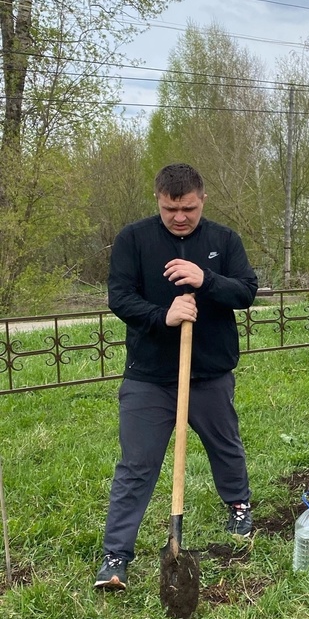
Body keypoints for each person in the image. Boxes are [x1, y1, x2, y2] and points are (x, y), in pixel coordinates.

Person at [95, 163, 259, 590]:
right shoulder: (135, 239)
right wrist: (162, 315)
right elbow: (120, 297)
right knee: (136, 464)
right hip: (149, 376)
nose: (180, 216)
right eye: (171, 208)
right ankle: (116, 556)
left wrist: (206, 280)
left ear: (202, 199)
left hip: (208, 372)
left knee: (225, 444)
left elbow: (245, 291)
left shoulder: (224, 240)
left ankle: (239, 508)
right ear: (158, 201)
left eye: (188, 207)